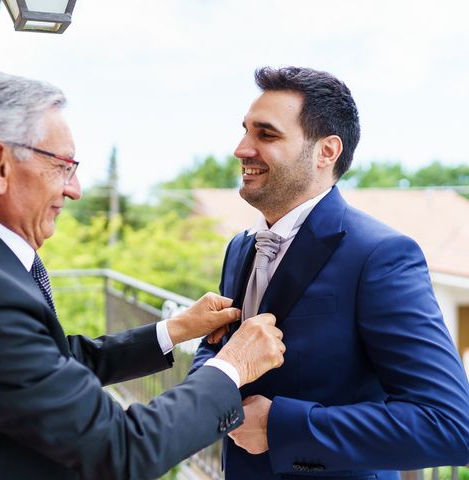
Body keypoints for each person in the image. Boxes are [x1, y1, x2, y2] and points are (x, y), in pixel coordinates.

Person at [0, 71, 286, 480]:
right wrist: (232, 366)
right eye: (62, 166)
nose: (75, 189)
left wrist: (176, 329)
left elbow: (50, 364)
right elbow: (121, 450)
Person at [191, 66, 469, 479]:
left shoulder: (380, 256)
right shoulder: (240, 247)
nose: (241, 149)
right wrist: (209, 392)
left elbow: (449, 426)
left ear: (327, 151)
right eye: (245, 130)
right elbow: (219, 349)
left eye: (266, 135)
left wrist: (281, 427)